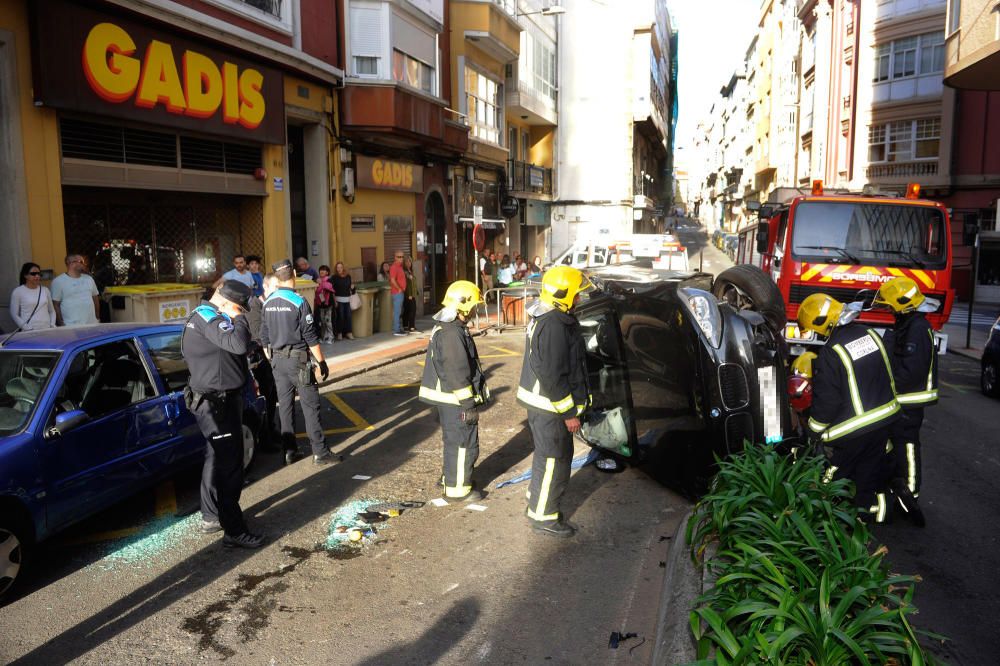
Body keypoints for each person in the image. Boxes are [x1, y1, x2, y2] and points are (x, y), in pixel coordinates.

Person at [798, 293, 902, 524]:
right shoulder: (871, 334)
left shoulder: (830, 352)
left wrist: (814, 431)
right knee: (867, 475)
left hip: (856, 429)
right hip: (885, 420)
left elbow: (828, 401)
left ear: (821, 323)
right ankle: (860, 522)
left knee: (834, 476)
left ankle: (819, 520)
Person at [181, 280, 264, 549]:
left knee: (215, 457)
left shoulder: (205, 316)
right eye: (239, 307)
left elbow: (230, 353)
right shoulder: (210, 318)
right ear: (227, 303)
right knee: (230, 466)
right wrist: (240, 319)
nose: (240, 312)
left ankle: (211, 515)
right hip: (217, 403)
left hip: (217, 399)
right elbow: (239, 344)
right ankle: (234, 529)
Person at [517, 266, 594, 538]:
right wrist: (570, 412)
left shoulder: (550, 316)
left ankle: (538, 502)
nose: (580, 299)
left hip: (545, 407)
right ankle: (544, 516)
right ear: (564, 294)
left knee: (547, 458)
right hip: (551, 408)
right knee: (554, 460)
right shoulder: (553, 325)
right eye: (577, 294)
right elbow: (553, 375)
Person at [874, 276, 939, 525]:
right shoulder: (907, 324)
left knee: (908, 445)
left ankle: (910, 495)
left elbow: (911, 372)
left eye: (891, 306)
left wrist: (886, 386)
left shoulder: (917, 330)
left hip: (910, 402)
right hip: (901, 400)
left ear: (903, 304)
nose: (889, 310)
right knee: (895, 443)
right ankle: (898, 485)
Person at [418, 281, 490, 502]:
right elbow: (458, 371)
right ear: (463, 307)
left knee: (455, 441)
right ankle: (458, 490)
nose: (475, 311)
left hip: (450, 398)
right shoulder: (452, 333)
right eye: (473, 307)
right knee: (463, 444)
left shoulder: (449, 327)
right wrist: (468, 404)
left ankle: (452, 478)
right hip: (456, 400)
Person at [261, 259, 334, 465]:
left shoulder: (267, 302)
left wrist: (273, 359)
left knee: (284, 406)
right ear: (294, 273)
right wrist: (322, 362)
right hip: (299, 361)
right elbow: (311, 337)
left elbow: (264, 337)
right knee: (310, 406)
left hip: (277, 361)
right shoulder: (299, 301)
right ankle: (320, 452)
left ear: (276, 278)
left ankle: (289, 451)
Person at [246, 273, 282, 457]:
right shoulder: (255, 306)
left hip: (271, 360)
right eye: (275, 287)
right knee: (265, 400)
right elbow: (258, 336)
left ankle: (272, 430)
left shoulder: (273, 306)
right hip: (260, 362)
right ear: (266, 288)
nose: (279, 291)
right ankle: (266, 438)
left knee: (272, 398)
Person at [51, 254, 99, 326]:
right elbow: (55, 305)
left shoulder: (89, 279)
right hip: (70, 325)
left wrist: (97, 318)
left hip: (91, 324)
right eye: (81, 262)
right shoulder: (58, 281)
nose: (84, 264)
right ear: (71, 263)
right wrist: (61, 324)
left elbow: (95, 298)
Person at [10, 263, 56, 331]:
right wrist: (27, 328)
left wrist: (52, 324)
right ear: (25, 275)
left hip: (47, 329)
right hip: (30, 331)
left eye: (39, 273)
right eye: (33, 274)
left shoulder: (45, 290)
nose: (37, 276)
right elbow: (14, 314)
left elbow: (52, 311)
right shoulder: (18, 291)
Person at [331, 262, 354, 340]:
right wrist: (335, 301)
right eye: (338, 267)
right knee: (340, 317)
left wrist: (352, 288)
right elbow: (332, 290)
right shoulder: (334, 277)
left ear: (343, 268)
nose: (339, 269)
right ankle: (339, 333)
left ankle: (349, 333)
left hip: (347, 299)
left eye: (341, 267)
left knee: (348, 316)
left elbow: (351, 288)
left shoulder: (348, 277)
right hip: (338, 299)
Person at [314, 265, 335, 344]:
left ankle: (331, 337)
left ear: (327, 272)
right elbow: (317, 291)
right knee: (322, 321)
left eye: (324, 270)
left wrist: (321, 283)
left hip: (328, 304)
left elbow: (329, 287)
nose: (322, 272)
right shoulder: (317, 280)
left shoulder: (329, 279)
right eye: (320, 270)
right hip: (320, 304)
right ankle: (323, 337)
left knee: (328, 321)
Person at [389, 251, 407, 337]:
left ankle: (398, 328)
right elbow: (392, 280)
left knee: (399, 311)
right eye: (399, 257)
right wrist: (399, 288)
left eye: (402, 257)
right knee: (397, 311)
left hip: (400, 292)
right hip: (397, 293)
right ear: (395, 257)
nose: (401, 258)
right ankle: (396, 330)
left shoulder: (400, 267)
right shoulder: (394, 267)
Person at [402, 255, 418, 333]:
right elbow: (406, 284)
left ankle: (406, 326)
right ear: (404, 263)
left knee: (408, 310)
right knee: (412, 310)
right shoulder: (405, 272)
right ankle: (411, 327)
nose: (408, 263)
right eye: (407, 262)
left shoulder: (410, 271)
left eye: (410, 261)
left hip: (412, 293)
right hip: (408, 294)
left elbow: (413, 283)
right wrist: (409, 294)